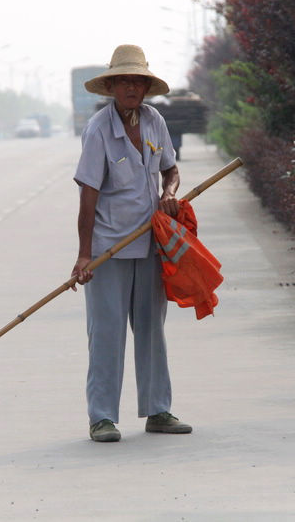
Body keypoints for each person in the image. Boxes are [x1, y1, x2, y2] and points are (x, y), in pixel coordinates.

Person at [71, 44, 192, 442]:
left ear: (145, 87)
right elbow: (88, 195)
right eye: (124, 81)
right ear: (111, 87)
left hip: (151, 242)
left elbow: (170, 169)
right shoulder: (98, 130)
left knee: (152, 330)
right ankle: (101, 417)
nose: (132, 88)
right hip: (109, 247)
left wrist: (169, 191)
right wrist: (85, 255)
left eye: (138, 81)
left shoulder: (155, 120)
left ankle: (158, 410)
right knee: (106, 332)